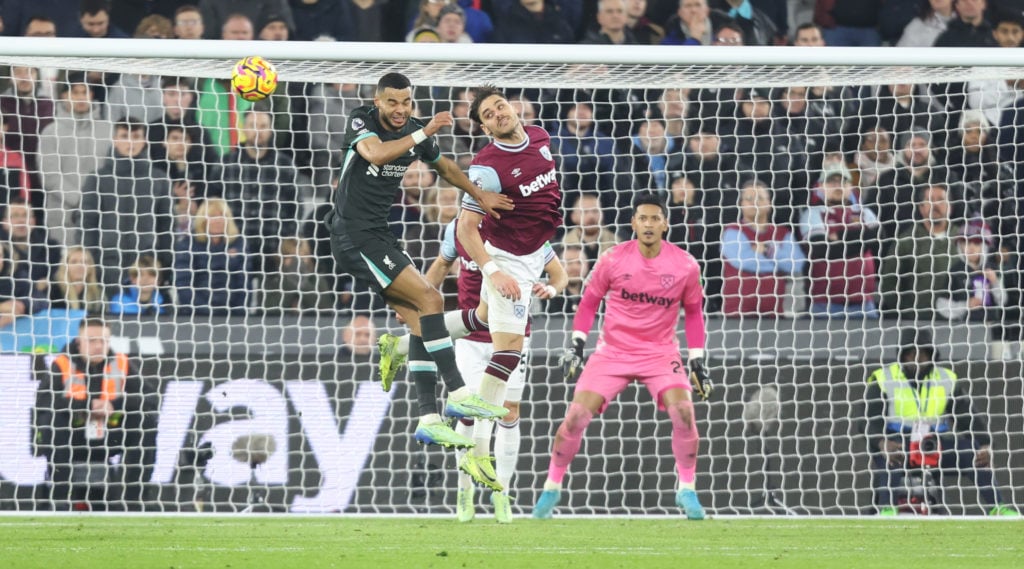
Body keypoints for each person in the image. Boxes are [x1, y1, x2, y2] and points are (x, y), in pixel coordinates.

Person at [326, 72, 513, 453]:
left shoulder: (414, 130)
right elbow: (376, 153)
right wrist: (424, 130)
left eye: (406, 102)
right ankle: (458, 392)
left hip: (379, 235)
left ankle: (428, 417)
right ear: (378, 101)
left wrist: (479, 195)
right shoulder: (361, 120)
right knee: (432, 300)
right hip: (353, 235)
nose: (399, 109)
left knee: (420, 324)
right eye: (392, 102)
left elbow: (444, 168)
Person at [532, 192, 713, 520]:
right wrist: (576, 345)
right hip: (612, 352)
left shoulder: (685, 265)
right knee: (574, 418)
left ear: (665, 224)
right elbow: (588, 303)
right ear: (633, 223)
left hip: (660, 353)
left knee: (684, 413)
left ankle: (687, 489)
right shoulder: (613, 259)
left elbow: (695, 313)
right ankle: (551, 487)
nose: (648, 224)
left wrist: (697, 359)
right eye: (642, 218)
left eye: (654, 218)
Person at [449, 84, 564, 494]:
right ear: (484, 128)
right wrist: (494, 270)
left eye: (501, 106)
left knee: (482, 323)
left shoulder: (540, 137)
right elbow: (465, 227)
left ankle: (413, 336)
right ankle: (480, 450)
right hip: (509, 257)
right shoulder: (485, 166)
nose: (500, 113)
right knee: (509, 349)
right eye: (489, 114)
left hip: (535, 254)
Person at [421, 217, 567, 522]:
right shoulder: (459, 228)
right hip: (471, 338)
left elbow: (560, 275)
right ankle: (465, 490)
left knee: (509, 411)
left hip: (514, 337)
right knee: (468, 411)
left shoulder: (527, 230)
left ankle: (501, 492)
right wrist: (416, 300)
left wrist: (550, 289)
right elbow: (439, 267)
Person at [864, 328, 1018, 516]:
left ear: (931, 355)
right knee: (892, 456)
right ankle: (887, 508)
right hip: (899, 443)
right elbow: (867, 421)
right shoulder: (882, 377)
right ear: (902, 355)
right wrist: (882, 443)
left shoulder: (946, 378)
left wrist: (985, 445)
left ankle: (998, 507)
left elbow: (968, 417)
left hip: (934, 444)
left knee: (971, 451)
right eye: (911, 353)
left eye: (923, 353)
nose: (917, 358)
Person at [34, 317, 156, 510]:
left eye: (104, 341)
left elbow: (150, 398)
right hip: (71, 438)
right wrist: (88, 405)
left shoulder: (121, 363)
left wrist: (113, 404)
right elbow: (44, 402)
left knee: (146, 419)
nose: (99, 346)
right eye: (92, 341)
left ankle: (134, 498)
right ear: (78, 342)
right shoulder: (62, 364)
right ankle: (60, 498)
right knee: (52, 418)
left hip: (110, 436)